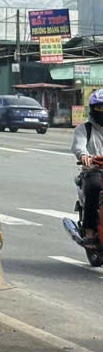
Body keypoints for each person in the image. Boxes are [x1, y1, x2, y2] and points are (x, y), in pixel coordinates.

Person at [71, 89, 103, 245]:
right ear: (93, 109)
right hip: (94, 171)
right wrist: (84, 156)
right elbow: (79, 145)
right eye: (100, 108)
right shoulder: (85, 129)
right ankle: (89, 231)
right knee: (94, 187)